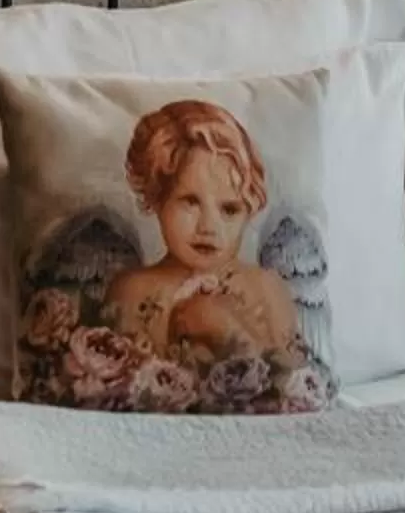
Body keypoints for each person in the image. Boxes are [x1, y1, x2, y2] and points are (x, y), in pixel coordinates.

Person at [102, 98, 304, 366]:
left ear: (249, 211)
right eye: (190, 202)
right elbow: (128, 386)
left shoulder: (267, 288)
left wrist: (229, 329)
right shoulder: (133, 290)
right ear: (157, 199)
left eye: (230, 210)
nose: (208, 227)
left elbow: (290, 379)